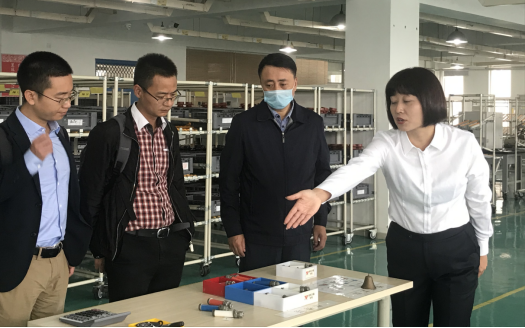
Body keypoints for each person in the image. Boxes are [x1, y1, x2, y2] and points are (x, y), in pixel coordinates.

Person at [284, 67, 492, 327]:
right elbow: (357, 168)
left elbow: (479, 198)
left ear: (430, 101)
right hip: (406, 248)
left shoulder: (462, 143)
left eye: (407, 101)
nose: (398, 109)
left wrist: (482, 247)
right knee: (405, 320)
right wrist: (319, 194)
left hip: (456, 247)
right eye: (393, 102)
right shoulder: (387, 142)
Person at [0, 52, 92, 327]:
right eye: (59, 98)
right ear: (31, 95)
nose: (68, 104)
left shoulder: (60, 134)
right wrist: (30, 161)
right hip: (14, 266)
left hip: (57, 261)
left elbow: (68, 197)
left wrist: (69, 253)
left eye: (70, 95)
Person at [81, 53, 195, 303]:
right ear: (138, 91)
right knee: (129, 315)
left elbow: (175, 184)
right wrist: (99, 248)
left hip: (171, 242)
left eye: (173, 95)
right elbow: (92, 193)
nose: (168, 103)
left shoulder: (170, 132)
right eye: (161, 96)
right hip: (130, 246)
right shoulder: (110, 134)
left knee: (166, 313)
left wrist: (184, 233)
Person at [220, 53, 331, 272]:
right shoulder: (244, 124)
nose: (276, 90)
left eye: (283, 84)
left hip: (299, 231)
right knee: (256, 291)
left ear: (295, 84)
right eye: (269, 84)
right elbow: (229, 181)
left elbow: (321, 175)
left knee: (296, 291)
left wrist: (321, 220)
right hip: (256, 234)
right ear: (261, 85)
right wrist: (233, 229)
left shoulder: (312, 123)